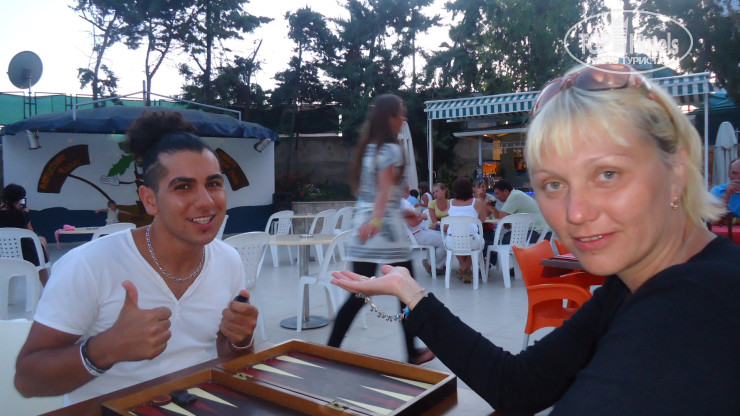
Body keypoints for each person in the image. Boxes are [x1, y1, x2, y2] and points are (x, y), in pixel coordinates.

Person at [329, 64, 740, 414]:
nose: (576, 212)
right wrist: (411, 292)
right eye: (554, 183)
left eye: (607, 173)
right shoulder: (632, 284)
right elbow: (517, 384)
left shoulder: (700, 308)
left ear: (677, 172)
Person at [14, 111, 259, 406]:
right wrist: (106, 348)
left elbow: (230, 357)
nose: (206, 201)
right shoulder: (89, 265)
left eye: (214, 183)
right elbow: (27, 381)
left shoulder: (228, 260)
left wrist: (240, 340)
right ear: (150, 200)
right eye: (183, 187)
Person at [327, 94, 433, 365]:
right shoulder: (391, 149)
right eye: (400, 114)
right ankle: (411, 351)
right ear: (389, 118)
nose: (403, 118)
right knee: (407, 290)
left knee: (359, 293)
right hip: (384, 232)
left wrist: (402, 214)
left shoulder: (370, 148)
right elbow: (385, 189)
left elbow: (378, 193)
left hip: (365, 227)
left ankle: (330, 349)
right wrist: (379, 220)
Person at [0, 183, 51, 285]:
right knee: (42, 241)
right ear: (18, 200)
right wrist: (26, 214)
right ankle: (47, 284)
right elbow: (31, 236)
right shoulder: (21, 214)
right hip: (25, 255)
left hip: (4, 253)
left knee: (40, 245)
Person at [446, 177, 487, 283]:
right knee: (478, 244)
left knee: (456, 240)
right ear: (470, 189)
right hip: (471, 241)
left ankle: (464, 268)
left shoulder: (450, 203)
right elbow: (482, 220)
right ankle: (465, 268)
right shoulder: (477, 202)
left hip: (452, 241)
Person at [401, 185, 445, 276]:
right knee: (446, 241)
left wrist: (418, 215)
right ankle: (433, 265)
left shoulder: (397, 203)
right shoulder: (404, 203)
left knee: (442, 237)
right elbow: (413, 223)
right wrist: (422, 217)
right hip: (416, 234)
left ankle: (435, 264)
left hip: (410, 234)